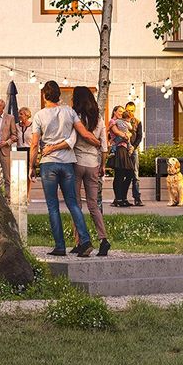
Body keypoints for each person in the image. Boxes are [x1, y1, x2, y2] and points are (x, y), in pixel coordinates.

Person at [30, 79, 94, 257]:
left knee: (53, 206)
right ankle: (85, 241)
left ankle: (60, 246)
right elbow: (83, 133)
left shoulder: (39, 116)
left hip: (48, 163)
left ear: (44, 96)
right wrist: (99, 144)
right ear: (59, 95)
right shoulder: (69, 111)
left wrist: (31, 166)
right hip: (67, 163)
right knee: (72, 203)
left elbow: (34, 144)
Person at [71, 85, 112, 256]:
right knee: (93, 204)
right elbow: (104, 146)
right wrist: (102, 165)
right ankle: (103, 240)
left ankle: (80, 242)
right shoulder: (99, 118)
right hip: (93, 164)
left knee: (76, 204)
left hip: (76, 162)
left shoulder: (76, 116)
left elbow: (71, 140)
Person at [108, 105, 134, 207]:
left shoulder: (123, 122)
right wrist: (126, 135)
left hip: (125, 149)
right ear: (114, 112)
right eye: (119, 111)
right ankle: (118, 199)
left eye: (123, 112)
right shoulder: (112, 121)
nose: (121, 113)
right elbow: (117, 132)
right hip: (118, 149)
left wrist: (128, 134)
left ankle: (123, 198)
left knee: (129, 174)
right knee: (119, 175)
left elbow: (130, 132)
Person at [122, 101, 146, 207]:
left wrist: (133, 147)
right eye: (128, 110)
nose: (130, 112)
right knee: (124, 175)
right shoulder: (120, 121)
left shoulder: (138, 122)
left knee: (135, 175)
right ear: (125, 109)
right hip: (123, 150)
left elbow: (139, 137)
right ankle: (121, 198)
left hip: (133, 150)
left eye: (132, 110)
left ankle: (137, 198)